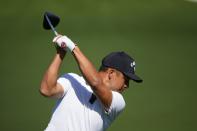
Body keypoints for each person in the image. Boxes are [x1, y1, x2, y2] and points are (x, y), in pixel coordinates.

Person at [40, 34, 143, 131]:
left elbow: (95, 83)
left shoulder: (118, 102)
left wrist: (72, 47)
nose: (126, 85)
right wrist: (61, 52)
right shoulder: (72, 79)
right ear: (111, 73)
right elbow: (46, 90)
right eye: (126, 79)